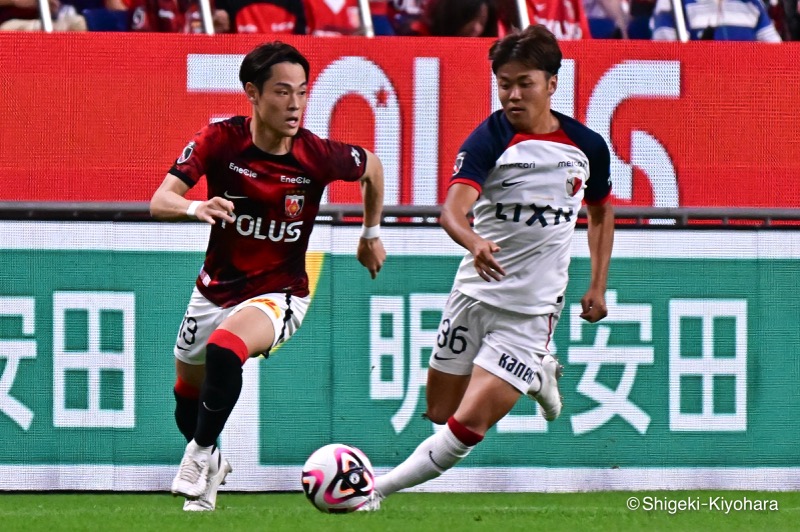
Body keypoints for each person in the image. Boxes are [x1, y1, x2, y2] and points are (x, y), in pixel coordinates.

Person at [360, 24, 614, 511]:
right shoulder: (489, 139)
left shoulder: (586, 146)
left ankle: (375, 491)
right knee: (440, 410)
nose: (513, 94)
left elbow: (601, 210)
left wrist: (597, 284)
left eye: (525, 83)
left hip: (531, 312)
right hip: (473, 295)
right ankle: (539, 374)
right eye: (504, 84)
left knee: (468, 423)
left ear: (552, 84)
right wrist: (473, 240)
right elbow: (452, 212)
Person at [149, 41, 386, 512]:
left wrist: (370, 233)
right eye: (282, 92)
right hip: (215, 289)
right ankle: (212, 458)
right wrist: (197, 206)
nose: (295, 104)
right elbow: (160, 200)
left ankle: (197, 456)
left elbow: (372, 167)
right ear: (253, 93)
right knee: (186, 399)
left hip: (280, 294)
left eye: (301, 91)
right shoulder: (220, 140)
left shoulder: (316, 155)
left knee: (224, 350)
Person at [650, 0, 782, 41]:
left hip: (746, 97)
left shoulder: (752, 3)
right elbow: (665, 57)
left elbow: (777, 55)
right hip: (696, 98)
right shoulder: (672, 4)